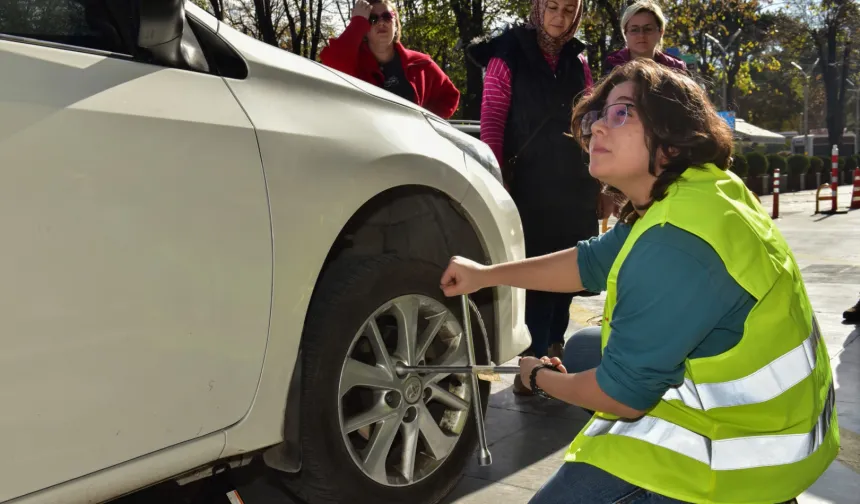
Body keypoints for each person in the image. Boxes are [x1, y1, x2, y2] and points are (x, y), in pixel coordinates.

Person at [440, 60, 837, 504]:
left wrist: (539, 379)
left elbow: (622, 398)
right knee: (586, 347)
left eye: (621, 113)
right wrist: (485, 275)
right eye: (598, 116)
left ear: (671, 138)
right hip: (778, 416)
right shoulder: (698, 191)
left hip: (746, 460)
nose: (596, 128)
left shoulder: (675, 245)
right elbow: (587, 263)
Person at [466, 0, 600, 393]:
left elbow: (590, 123)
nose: (559, 16)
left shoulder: (579, 60)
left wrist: (601, 182)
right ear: (538, 8)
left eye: (569, 9)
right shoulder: (507, 53)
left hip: (574, 183)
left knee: (572, 270)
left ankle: (555, 346)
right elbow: (492, 120)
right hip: (528, 184)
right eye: (552, 6)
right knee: (537, 274)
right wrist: (497, 178)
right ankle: (533, 359)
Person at [319, 0, 460, 119]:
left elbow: (450, 96)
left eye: (386, 17)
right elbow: (331, 65)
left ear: (396, 25)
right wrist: (357, 22)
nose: (381, 23)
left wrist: (426, 123)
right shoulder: (354, 63)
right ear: (364, 29)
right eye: (373, 19)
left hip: (408, 140)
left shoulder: (420, 63)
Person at [603, 0, 686, 76]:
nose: (641, 35)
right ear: (625, 33)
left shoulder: (675, 68)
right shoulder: (613, 64)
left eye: (648, 29)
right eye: (634, 30)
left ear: (661, 32)